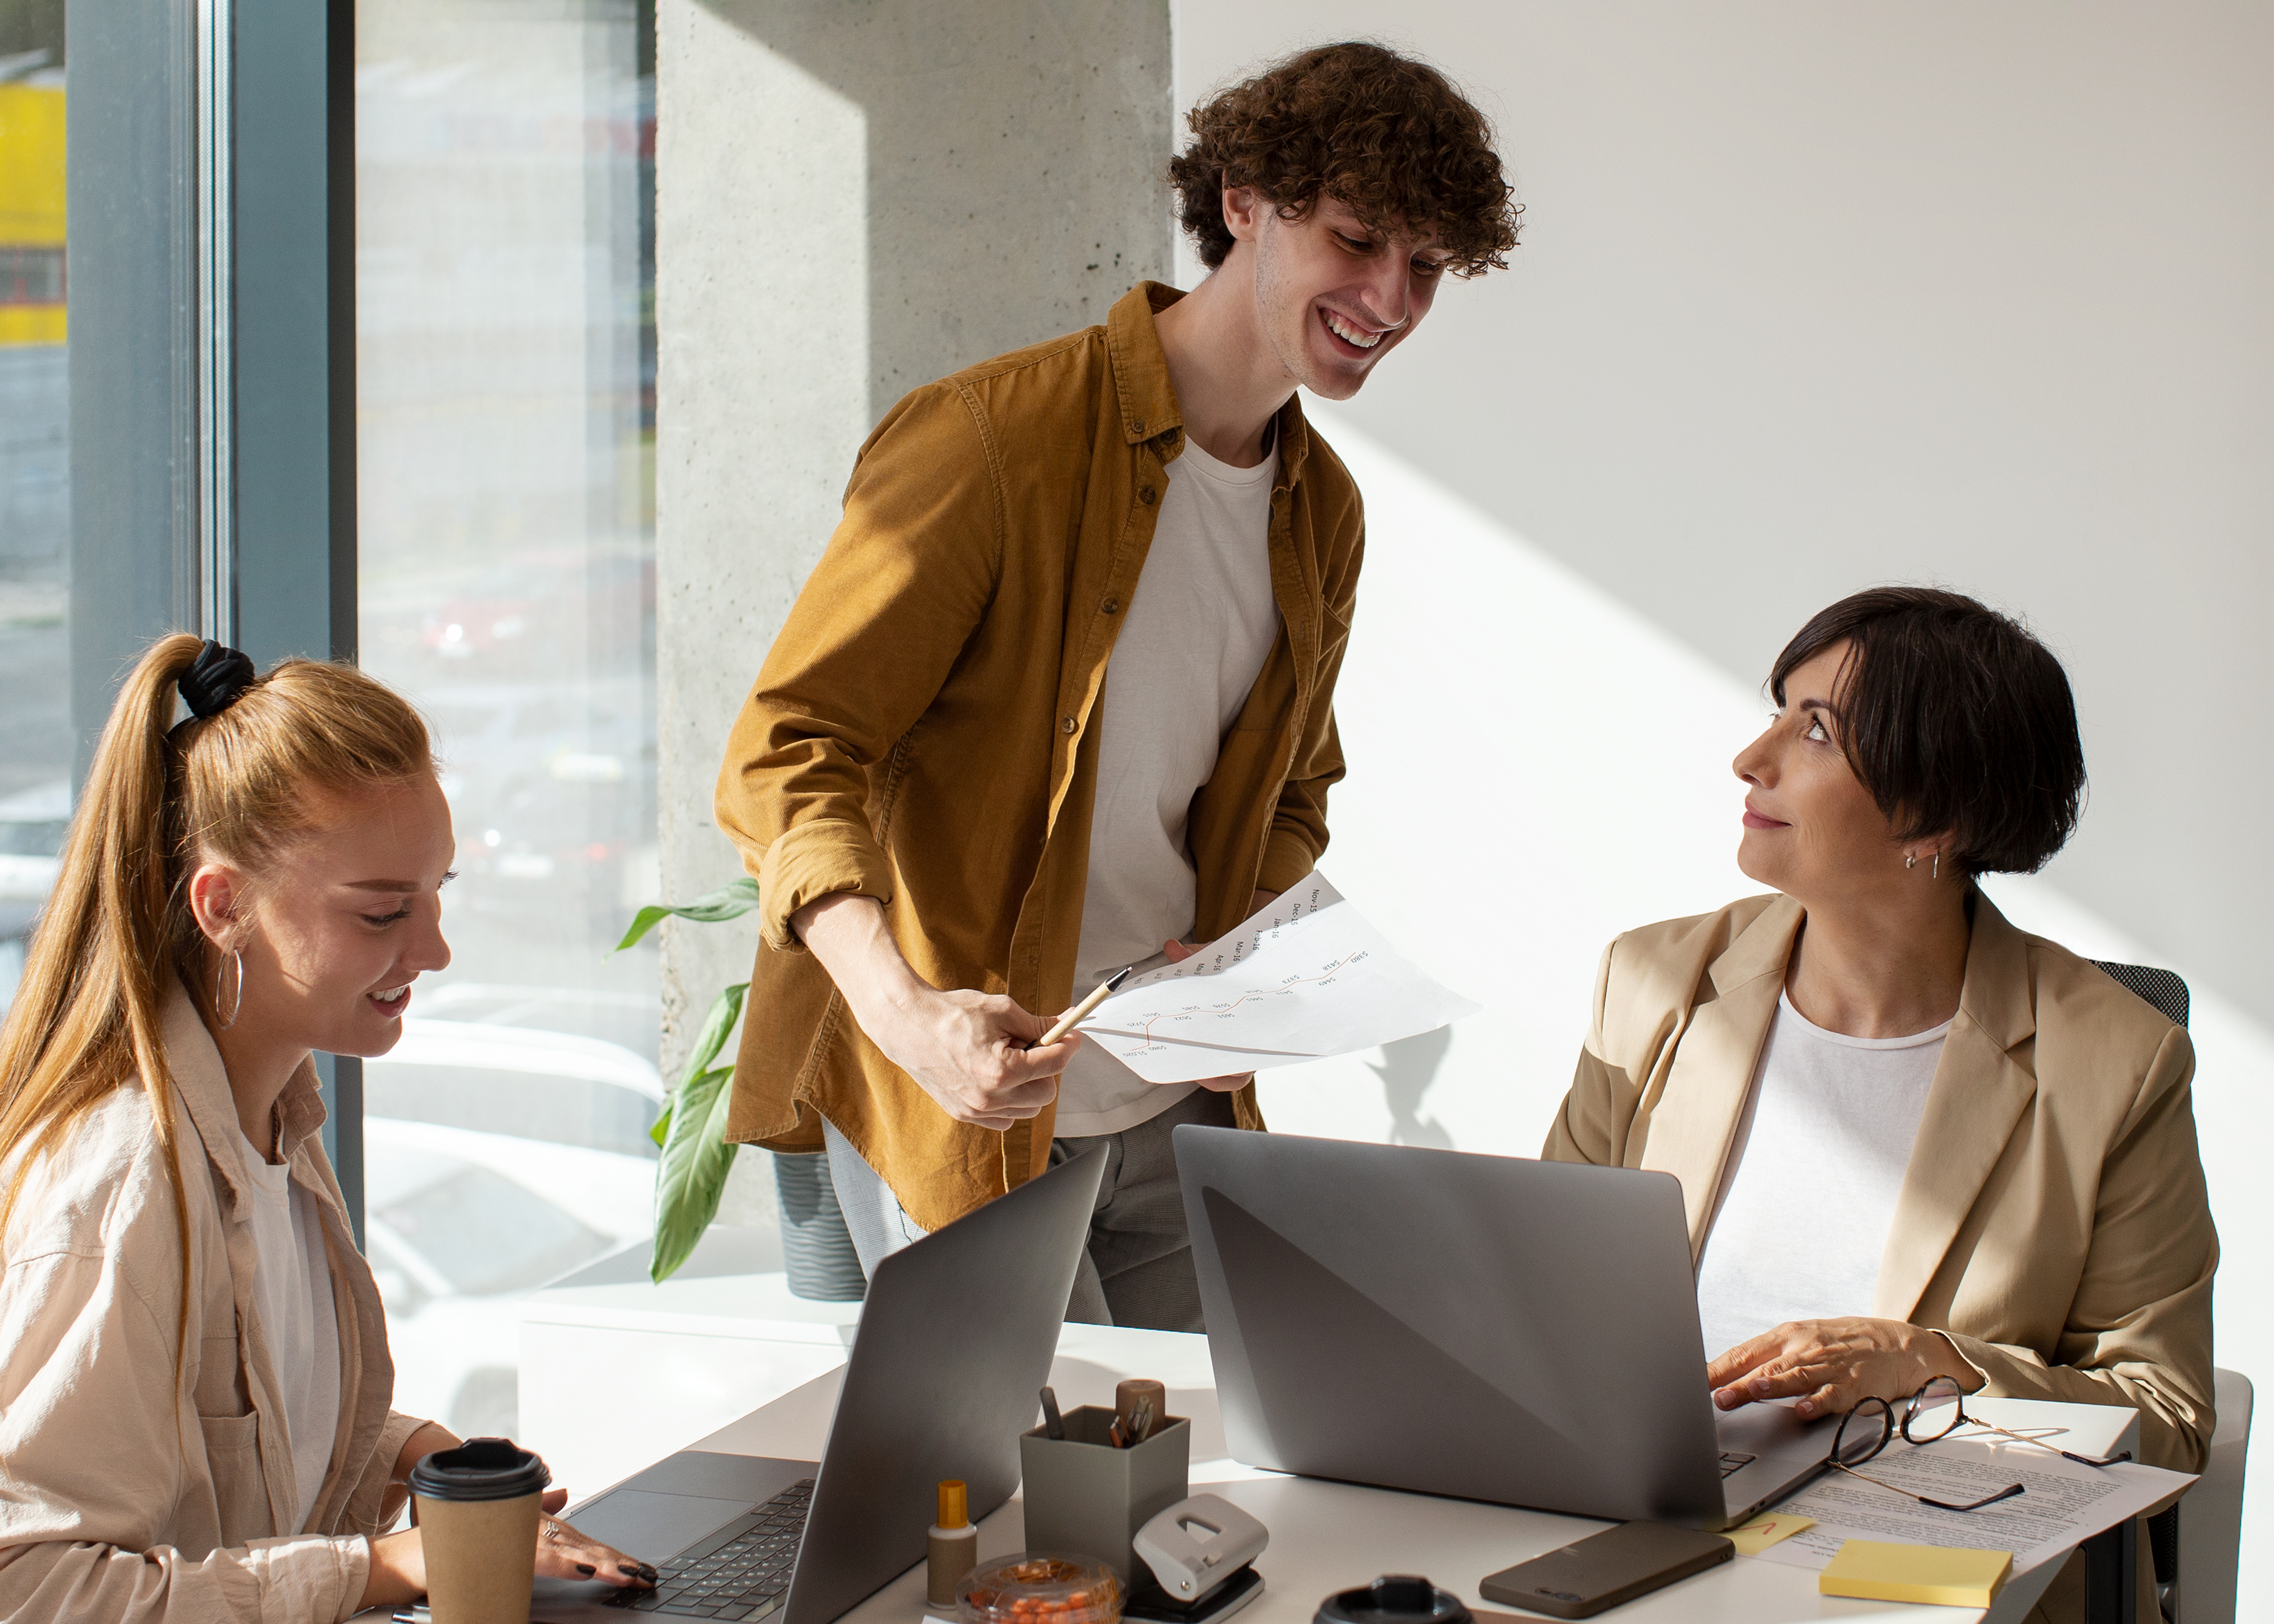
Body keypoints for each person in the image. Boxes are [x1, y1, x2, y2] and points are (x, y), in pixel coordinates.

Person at [713, 41, 1521, 1328]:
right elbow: (788, 746)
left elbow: (1294, 787)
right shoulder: (993, 437)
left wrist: (1249, 949)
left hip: (1164, 1100)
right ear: (1244, 202)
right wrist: (907, 1011)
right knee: (1004, 1515)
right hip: (949, 1103)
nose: (1389, 296)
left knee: (1204, 1495)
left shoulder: (1321, 507)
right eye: (1358, 240)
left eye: (1424, 267)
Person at [1543, 587, 2214, 1619]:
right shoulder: (1656, 982)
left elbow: (2165, 1416)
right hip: (1645, 1539)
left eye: (1815, 730)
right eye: (1779, 710)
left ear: (1937, 816)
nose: (1751, 759)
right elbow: (1538, 1292)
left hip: (1928, 1570)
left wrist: (1934, 1364)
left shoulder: (2119, 1061)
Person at [0, 635, 653, 1620]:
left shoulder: (276, 1119)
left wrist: (416, 1456)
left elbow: (227, 1433)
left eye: (437, 895)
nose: (433, 948)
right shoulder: (127, 1182)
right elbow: (27, 1582)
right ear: (223, 906)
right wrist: (390, 1566)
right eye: (384, 912)